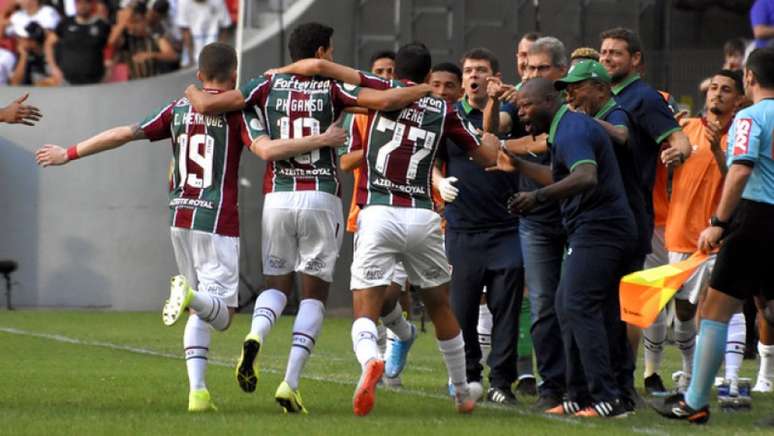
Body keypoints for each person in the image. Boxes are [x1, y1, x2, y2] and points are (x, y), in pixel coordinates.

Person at [33, 42, 338, 413]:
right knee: (223, 316)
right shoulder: (240, 112)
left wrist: (70, 152)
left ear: (199, 75)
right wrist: (321, 140)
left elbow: (124, 133)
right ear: (235, 74)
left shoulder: (179, 108)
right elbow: (267, 151)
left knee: (200, 314)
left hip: (181, 217)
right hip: (217, 221)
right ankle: (190, 298)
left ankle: (198, 393)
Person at [184, 22, 432, 414]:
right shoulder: (334, 88)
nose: (332, 58)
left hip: (278, 197)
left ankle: (255, 334)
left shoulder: (263, 85)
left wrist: (192, 89)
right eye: (330, 52)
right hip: (321, 197)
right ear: (321, 53)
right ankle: (290, 382)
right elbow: (386, 102)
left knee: (276, 287)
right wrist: (421, 90)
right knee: (313, 296)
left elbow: (209, 105)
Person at [266, 42, 501, 416]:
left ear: (397, 71)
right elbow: (488, 158)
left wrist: (278, 73)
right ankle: (461, 390)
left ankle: (371, 360)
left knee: (366, 307)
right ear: (427, 77)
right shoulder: (443, 109)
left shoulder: (376, 90)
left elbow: (319, 67)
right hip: (423, 215)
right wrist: (490, 137)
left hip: (377, 212)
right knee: (440, 304)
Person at [496, 77, 636, 418]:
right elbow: (562, 176)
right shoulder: (564, 129)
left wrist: (537, 197)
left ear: (548, 100)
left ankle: (608, 398)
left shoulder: (572, 129)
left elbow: (586, 176)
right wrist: (518, 165)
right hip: (592, 228)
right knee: (566, 305)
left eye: (526, 106)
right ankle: (578, 395)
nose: (521, 113)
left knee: (577, 304)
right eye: (518, 108)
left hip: (602, 228)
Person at [652, 47, 774, 424]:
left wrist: (720, 221)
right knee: (768, 310)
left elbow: (739, 172)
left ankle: (695, 401)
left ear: (749, 79)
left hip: (755, 218)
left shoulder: (750, 118)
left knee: (715, 310)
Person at [599, 27, 693, 401]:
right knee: (600, 298)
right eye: (604, 52)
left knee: (628, 301)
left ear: (636, 59)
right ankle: (606, 378)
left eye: (616, 53)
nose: (607, 58)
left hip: (630, 214)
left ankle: (623, 382)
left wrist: (677, 152)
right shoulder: (607, 95)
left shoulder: (644, 97)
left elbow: (679, 139)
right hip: (602, 212)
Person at [557, 59, 649, 410]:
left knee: (601, 309)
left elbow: (623, 135)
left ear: (598, 87)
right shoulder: (584, 117)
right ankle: (584, 393)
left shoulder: (616, 112)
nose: (570, 94)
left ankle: (613, 393)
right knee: (581, 305)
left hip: (618, 226)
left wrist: (579, 121)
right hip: (605, 224)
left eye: (576, 86)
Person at [436, 47, 524, 405]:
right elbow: (433, 163)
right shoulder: (447, 117)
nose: (474, 76)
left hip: (506, 226)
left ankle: (502, 381)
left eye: (482, 70)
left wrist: (496, 100)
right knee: (463, 308)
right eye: (469, 70)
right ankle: (468, 373)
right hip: (462, 228)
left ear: (495, 77)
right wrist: (440, 183)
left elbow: (493, 132)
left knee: (506, 308)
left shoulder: (511, 111)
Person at [656, 71, 745, 398]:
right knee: (682, 311)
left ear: (738, 99)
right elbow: (668, 169)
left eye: (726, 90)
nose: (717, 95)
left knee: (726, 303)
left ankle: (732, 380)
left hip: (723, 235)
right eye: (714, 89)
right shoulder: (685, 129)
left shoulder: (740, 133)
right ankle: (690, 371)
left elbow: (738, 178)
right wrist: (671, 157)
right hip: (681, 235)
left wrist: (718, 152)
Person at [339, 49, 416, 389]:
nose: (385, 75)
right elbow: (345, 162)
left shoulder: (416, 109)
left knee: (390, 294)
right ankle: (390, 348)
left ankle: (393, 347)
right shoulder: (360, 113)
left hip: (412, 212)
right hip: (367, 210)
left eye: (390, 70)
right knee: (374, 296)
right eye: (379, 70)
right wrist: (381, 146)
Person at [45, 0, 111, 85]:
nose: (82, 6)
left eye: (85, 3)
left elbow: (113, 45)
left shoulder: (101, 25)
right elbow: (48, 44)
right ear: (75, 4)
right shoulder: (66, 23)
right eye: (79, 3)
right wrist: (53, 68)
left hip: (95, 80)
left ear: (92, 4)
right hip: (67, 80)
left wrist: (110, 68)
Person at [108, 1, 179, 80]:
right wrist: (122, 23)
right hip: (134, 82)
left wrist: (151, 55)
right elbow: (111, 42)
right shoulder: (127, 38)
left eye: (136, 22)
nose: (132, 28)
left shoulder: (154, 36)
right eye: (130, 23)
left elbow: (173, 56)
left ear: (144, 19)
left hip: (155, 80)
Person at [176, 0, 231, 67]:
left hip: (214, 49)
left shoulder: (218, 1)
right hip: (194, 49)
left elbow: (224, 28)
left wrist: (221, 54)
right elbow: (185, 32)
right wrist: (190, 58)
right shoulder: (183, 2)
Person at [10, 21, 56, 86]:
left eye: (22, 38)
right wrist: (24, 56)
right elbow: (15, 82)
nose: (19, 39)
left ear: (32, 41)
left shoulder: (52, 54)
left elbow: (56, 80)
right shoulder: (22, 54)